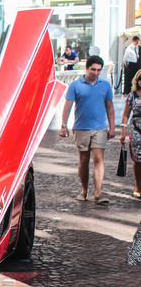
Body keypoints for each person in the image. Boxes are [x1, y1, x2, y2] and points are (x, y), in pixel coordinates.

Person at [59, 55, 115, 205]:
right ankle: (84, 190)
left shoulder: (105, 85)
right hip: (81, 128)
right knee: (84, 160)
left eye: (98, 70)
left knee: (98, 158)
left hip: (100, 128)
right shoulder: (76, 85)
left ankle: (98, 193)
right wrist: (64, 125)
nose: (95, 73)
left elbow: (110, 106)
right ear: (86, 68)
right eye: (93, 69)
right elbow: (68, 106)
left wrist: (112, 126)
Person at [119, 69, 141, 199]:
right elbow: (126, 115)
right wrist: (123, 132)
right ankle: (138, 185)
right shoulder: (132, 96)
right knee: (138, 159)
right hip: (136, 129)